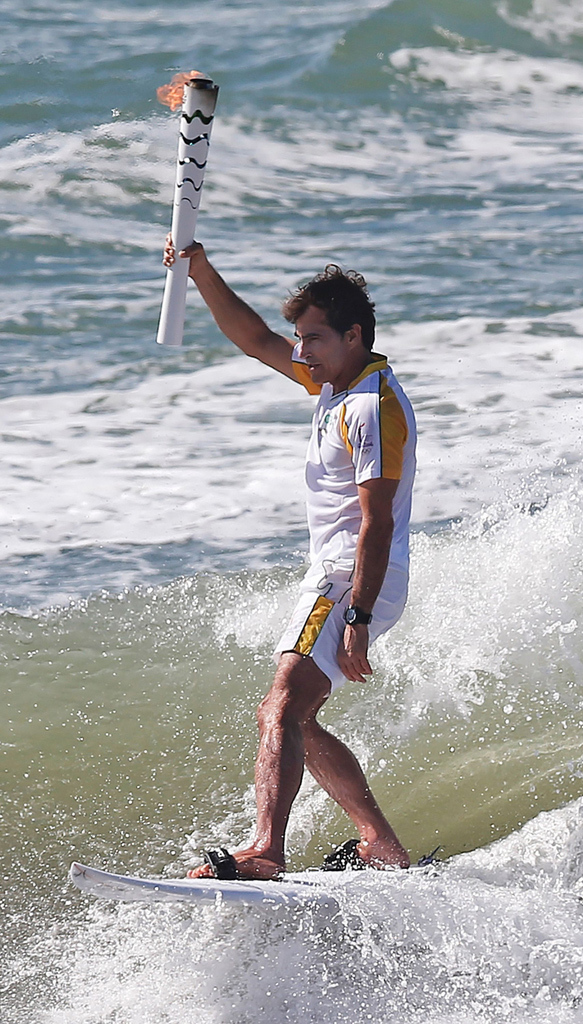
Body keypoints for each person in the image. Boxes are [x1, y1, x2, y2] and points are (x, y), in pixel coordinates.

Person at [163, 238, 416, 878]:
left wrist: (357, 617)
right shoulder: (337, 383)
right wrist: (200, 268)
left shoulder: (371, 406)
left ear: (353, 335)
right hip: (336, 577)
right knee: (293, 715)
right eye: (299, 337)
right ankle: (379, 845)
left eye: (314, 338)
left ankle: (265, 851)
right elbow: (253, 339)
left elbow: (378, 522)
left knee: (279, 707)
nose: (300, 351)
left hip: (345, 581)